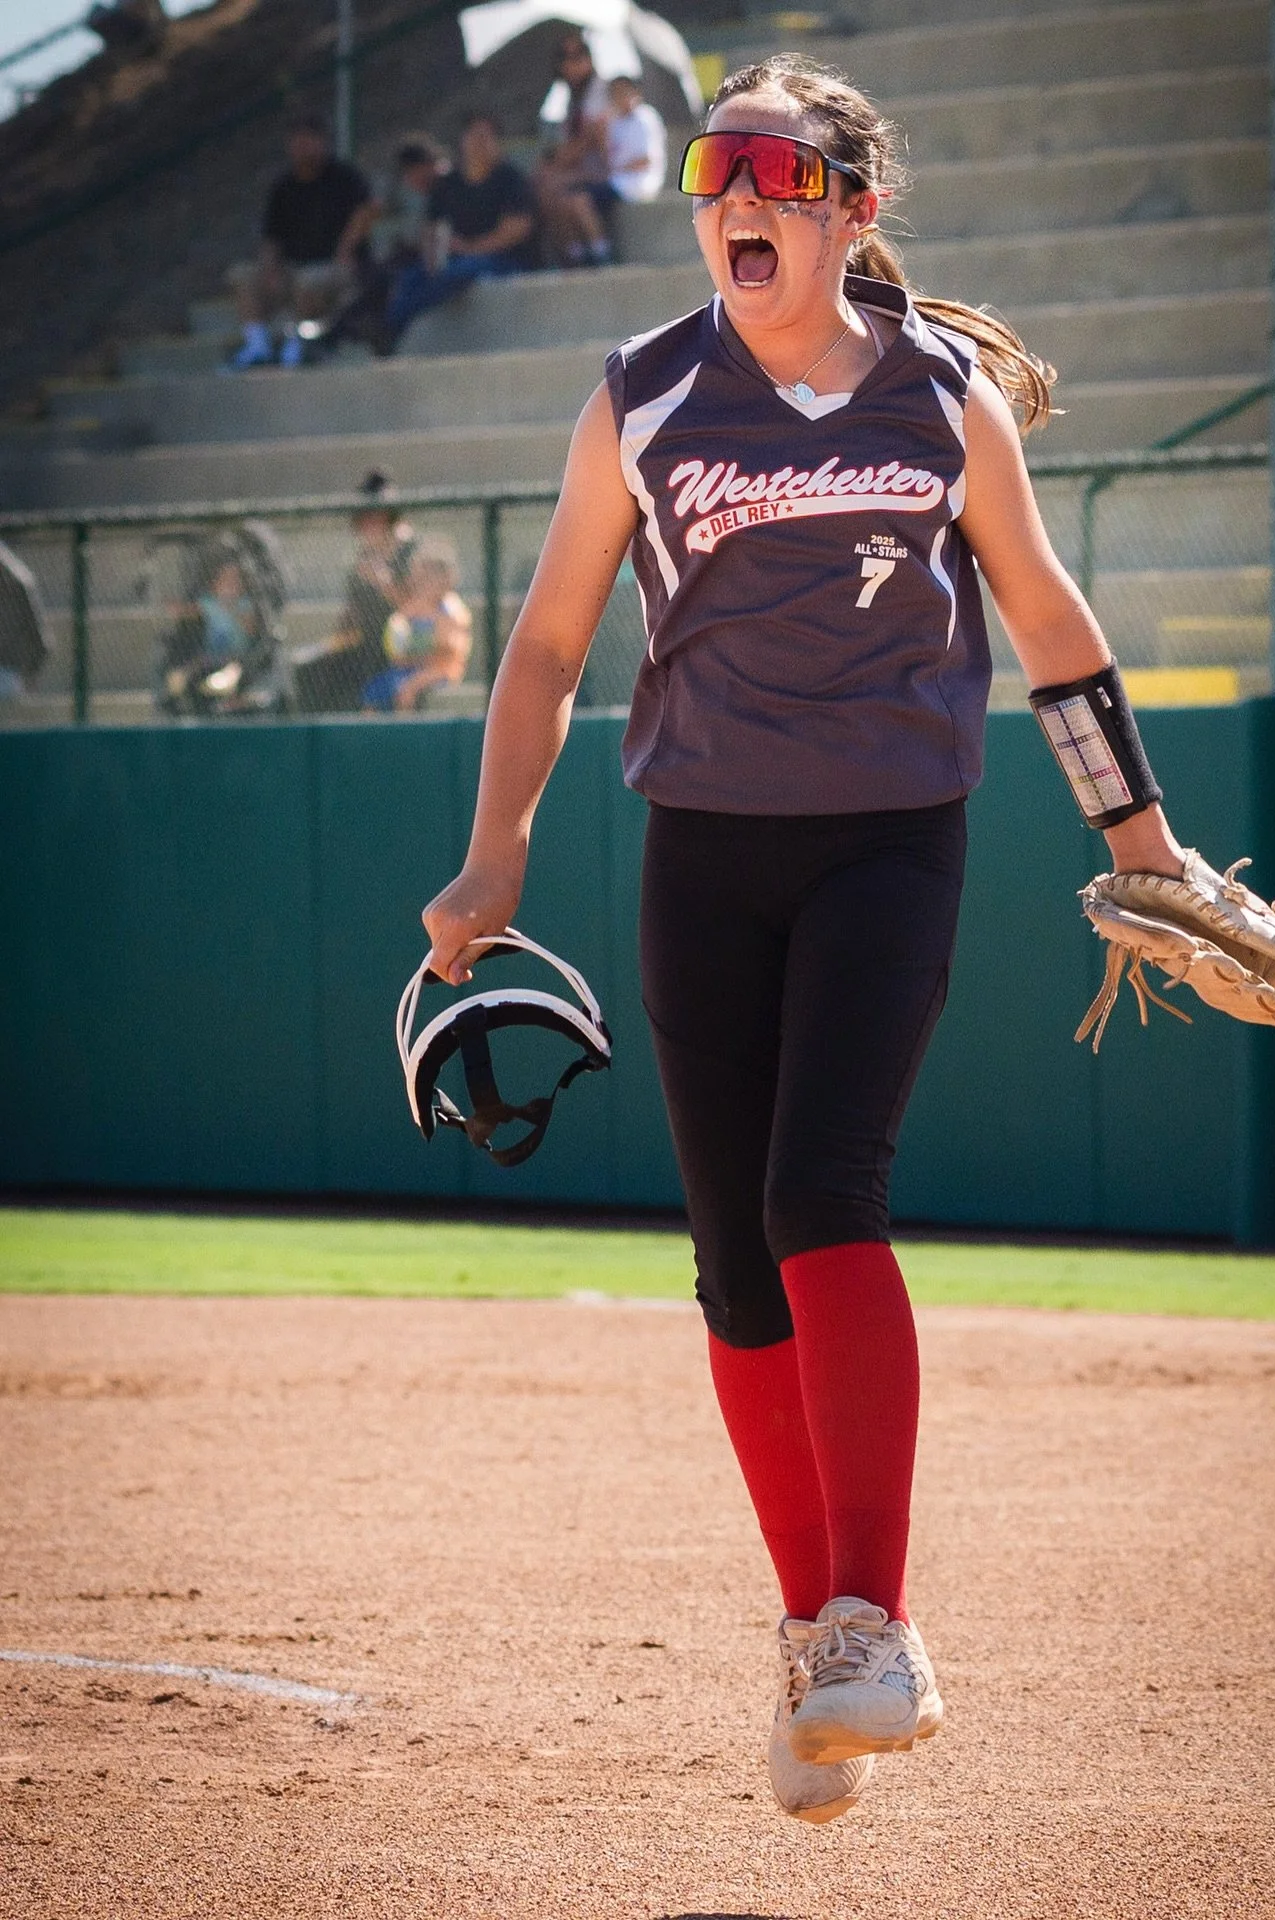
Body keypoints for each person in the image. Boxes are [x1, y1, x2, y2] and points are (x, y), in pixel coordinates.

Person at [420, 54, 1188, 1827]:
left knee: (820, 1194)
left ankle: (875, 1624)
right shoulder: (642, 394)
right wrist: (494, 852)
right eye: (713, 172)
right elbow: (549, 645)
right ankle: (813, 1642)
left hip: (887, 844)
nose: (735, 201)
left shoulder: (943, 396)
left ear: (851, 207)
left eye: (774, 171)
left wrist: (1140, 839)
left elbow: (1049, 621)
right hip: (703, 853)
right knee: (734, 1270)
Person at [227, 113, 374, 370]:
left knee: (309, 281)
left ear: (323, 141)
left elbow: (367, 211)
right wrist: (270, 269)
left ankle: (298, 345)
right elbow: (271, 236)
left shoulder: (344, 177)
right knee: (243, 276)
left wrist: (346, 250)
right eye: (297, 141)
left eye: (308, 140)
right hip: (292, 268)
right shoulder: (284, 187)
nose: (302, 147)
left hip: (335, 267)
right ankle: (257, 346)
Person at [381, 114, 536, 349]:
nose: (479, 143)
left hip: (505, 261)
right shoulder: (449, 183)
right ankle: (387, 328)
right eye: (474, 136)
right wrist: (437, 253)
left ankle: (393, 325)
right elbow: (432, 227)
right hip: (456, 257)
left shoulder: (510, 179)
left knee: (457, 271)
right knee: (411, 277)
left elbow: (517, 229)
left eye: (486, 137)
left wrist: (470, 248)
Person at [313, 135, 450, 357]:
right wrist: (346, 250)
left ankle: (351, 333)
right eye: (412, 173)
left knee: (389, 282)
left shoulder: (448, 183)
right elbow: (367, 213)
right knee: (375, 280)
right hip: (406, 254)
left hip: (438, 254)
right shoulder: (399, 189)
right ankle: (343, 332)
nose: (419, 178)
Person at [292, 473, 419, 712]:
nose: (368, 525)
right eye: (364, 518)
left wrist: (384, 584)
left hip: (404, 649)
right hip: (365, 646)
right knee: (308, 668)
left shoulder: (412, 552)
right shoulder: (363, 557)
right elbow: (352, 614)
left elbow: (424, 610)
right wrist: (333, 642)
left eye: (375, 517)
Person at [362, 537, 472, 711]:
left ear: (443, 579)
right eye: (417, 579)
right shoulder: (418, 604)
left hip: (440, 669)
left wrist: (417, 645)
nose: (418, 584)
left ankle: (405, 723)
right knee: (375, 690)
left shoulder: (452, 609)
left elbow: (450, 646)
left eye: (425, 578)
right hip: (411, 667)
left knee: (407, 689)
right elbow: (398, 624)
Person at [534, 33, 614, 266]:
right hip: (585, 170)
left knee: (553, 185)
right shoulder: (570, 97)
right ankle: (574, 254)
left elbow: (589, 140)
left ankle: (599, 254)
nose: (570, 64)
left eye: (578, 56)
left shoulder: (601, 92)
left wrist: (557, 164)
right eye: (564, 58)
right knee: (547, 190)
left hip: (607, 169)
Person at [605, 75, 667, 206]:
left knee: (583, 199)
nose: (619, 97)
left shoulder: (645, 118)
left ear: (635, 92)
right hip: (618, 180)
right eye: (615, 93)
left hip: (639, 182)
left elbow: (646, 160)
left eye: (623, 92)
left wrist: (618, 169)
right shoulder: (615, 122)